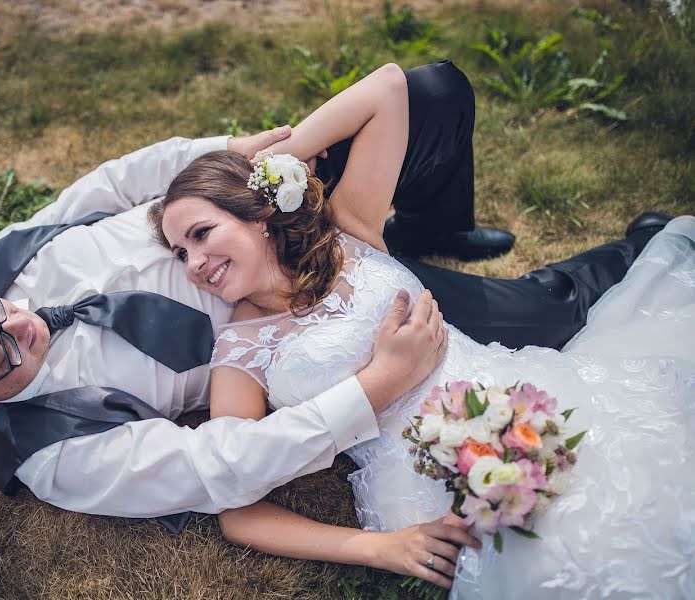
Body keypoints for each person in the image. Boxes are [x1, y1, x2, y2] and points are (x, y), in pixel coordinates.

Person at [151, 61, 694, 597]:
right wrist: (374, 548)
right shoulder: (241, 348)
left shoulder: (349, 229)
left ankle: (641, 245)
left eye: (202, 233)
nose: (193, 262)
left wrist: (266, 167)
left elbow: (389, 87)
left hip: (515, 395)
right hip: (422, 480)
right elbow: (237, 511)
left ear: (257, 216)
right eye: (180, 253)